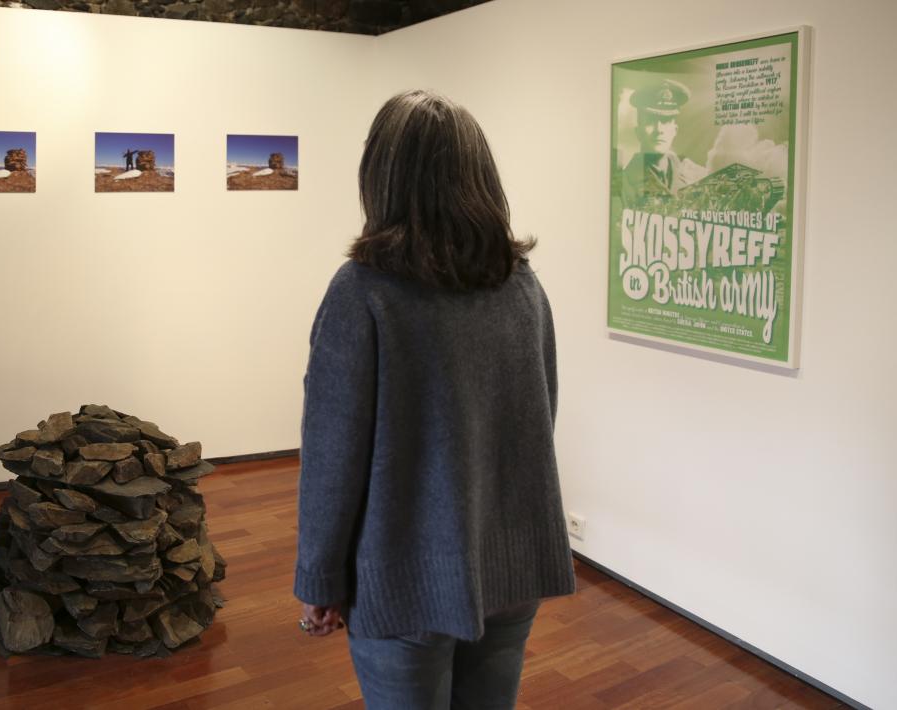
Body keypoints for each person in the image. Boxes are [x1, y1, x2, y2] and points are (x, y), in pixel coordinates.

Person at [294, 90, 576, 710]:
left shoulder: (362, 292)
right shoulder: (521, 284)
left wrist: (318, 577)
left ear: (382, 176)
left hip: (405, 577)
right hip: (510, 565)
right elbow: (539, 418)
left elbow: (332, 452)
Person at [621, 79, 707, 207]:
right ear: (638, 132)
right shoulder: (624, 182)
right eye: (650, 121)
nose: (659, 130)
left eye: (665, 121)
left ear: (675, 130)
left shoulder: (697, 175)